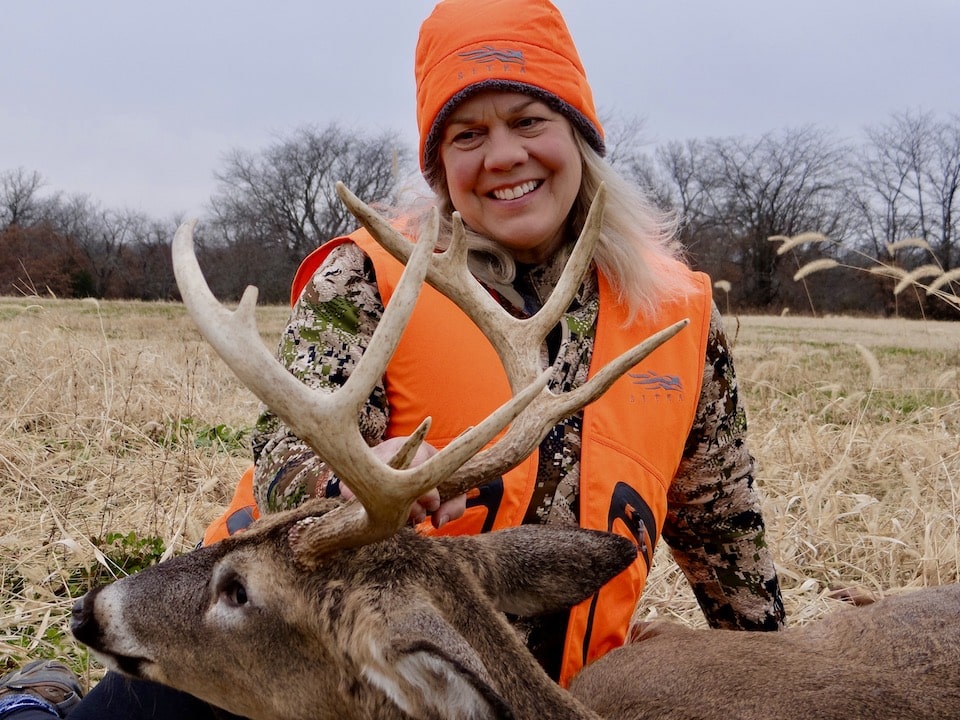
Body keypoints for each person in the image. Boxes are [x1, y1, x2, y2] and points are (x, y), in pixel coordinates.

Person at [7, 0, 784, 717]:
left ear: (578, 132)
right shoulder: (371, 276)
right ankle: (36, 701)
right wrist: (343, 478)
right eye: (467, 136)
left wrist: (778, 675)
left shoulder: (676, 315)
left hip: (525, 689)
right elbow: (284, 445)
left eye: (527, 119)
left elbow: (723, 529)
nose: (504, 156)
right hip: (293, 653)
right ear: (439, 163)